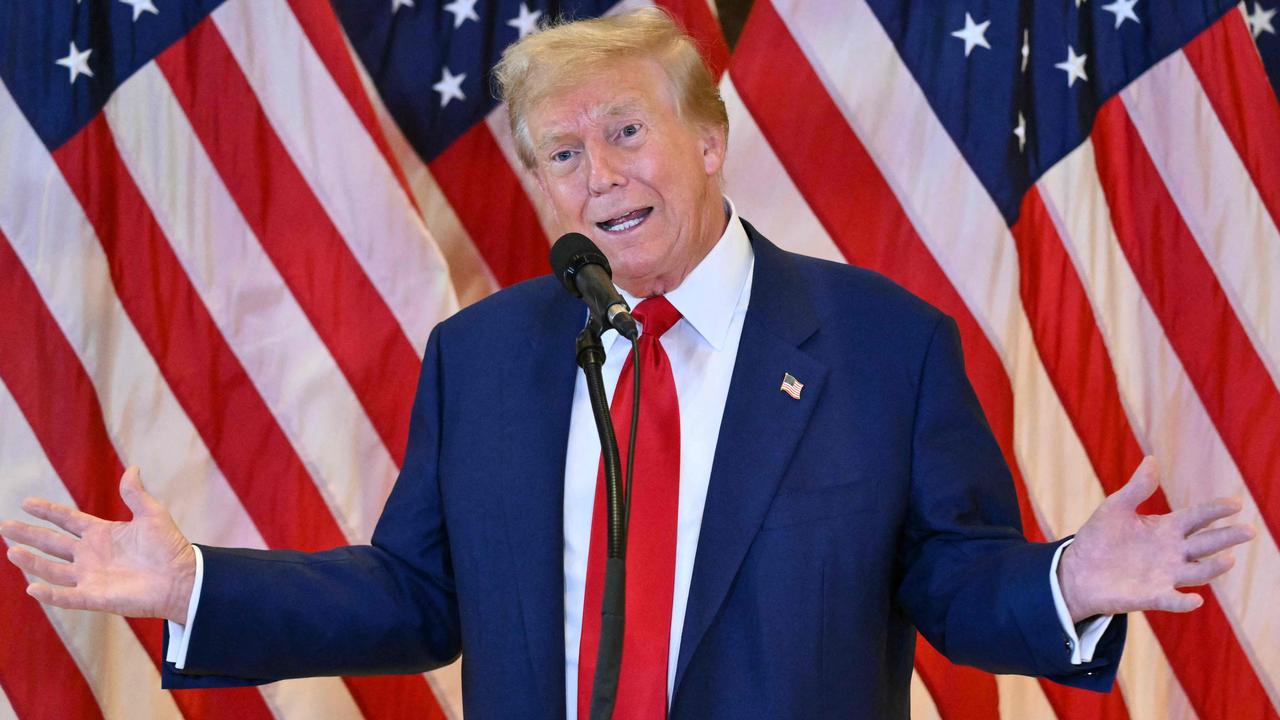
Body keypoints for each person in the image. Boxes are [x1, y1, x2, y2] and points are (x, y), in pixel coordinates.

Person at [0, 9, 1255, 719]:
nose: (595, 177)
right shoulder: (482, 359)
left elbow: (949, 580)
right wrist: (193, 589)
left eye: (623, 132)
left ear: (707, 143)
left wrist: (1069, 580)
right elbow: (411, 599)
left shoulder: (881, 346)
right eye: (559, 154)